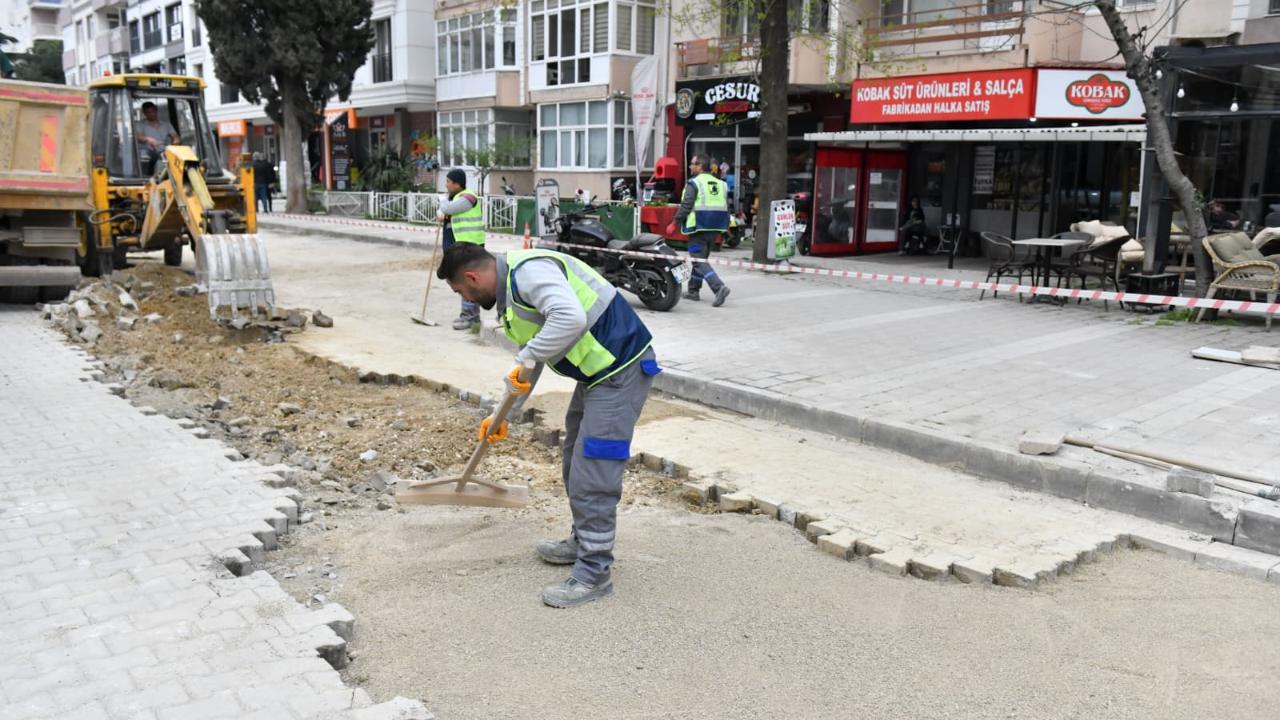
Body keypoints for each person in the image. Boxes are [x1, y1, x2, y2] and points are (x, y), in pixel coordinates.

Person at [436, 243, 660, 608]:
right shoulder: (513, 294)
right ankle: (583, 540)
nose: (468, 299)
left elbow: (568, 320)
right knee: (574, 460)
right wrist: (502, 415)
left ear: (473, 276)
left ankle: (595, 571)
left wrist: (526, 355)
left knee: (594, 470)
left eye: (462, 291)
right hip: (597, 375)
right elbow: (531, 364)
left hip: (622, 370)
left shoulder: (529, 273)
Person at [669, 155, 731, 307]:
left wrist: (674, 222)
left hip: (699, 227)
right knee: (701, 260)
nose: (690, 167)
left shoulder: (694, 183)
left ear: (700, 166)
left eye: (692, 164)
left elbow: (687, 205)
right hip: (715, 227)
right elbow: (726, 206)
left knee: (698, 260)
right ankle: (693, 291)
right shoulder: (721, 183)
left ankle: (718, 287)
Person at [436, 169, 485, 330]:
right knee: (464, 280)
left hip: (471, 245)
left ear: (457, 183)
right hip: (462, 245)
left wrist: (443, 204)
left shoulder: (469, 197)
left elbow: (449, 209)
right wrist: (443, 211)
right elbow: (448, 212)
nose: (446, 185)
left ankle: (470, 317)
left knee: (468, 281)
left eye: (449, 182)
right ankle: (469, 316)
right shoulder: (455, 197)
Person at [136, 101, 179, 175]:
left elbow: (176, 137)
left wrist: (175, 142)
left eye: (153, 111)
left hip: (166, 152)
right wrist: (148, 139)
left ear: (156, 111)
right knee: (156, 160)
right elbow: (139, 137)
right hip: (149, 154)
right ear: (144, 113)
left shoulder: (166, 125)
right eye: (148, 112)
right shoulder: (140, 124)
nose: (151, 114)